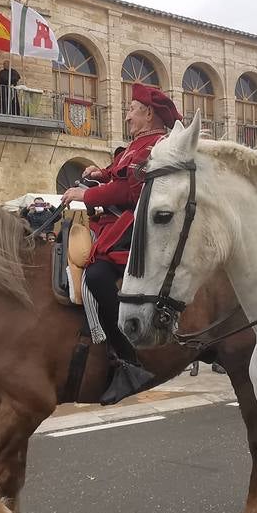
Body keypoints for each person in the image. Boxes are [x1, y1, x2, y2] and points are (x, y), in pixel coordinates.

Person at [61, 82, 182, 405]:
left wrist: (86, 194)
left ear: (149, 114)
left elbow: (131, 192)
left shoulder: (155, 146)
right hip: (116, 222)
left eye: (132, 110)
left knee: (97, 276)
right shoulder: (139, 144)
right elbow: (120, 174)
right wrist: (99, 174)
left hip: (135, 226)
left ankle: (127, 360)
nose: (127, 116)